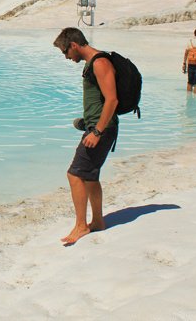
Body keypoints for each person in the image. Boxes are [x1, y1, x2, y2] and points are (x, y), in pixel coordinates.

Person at [53, 28, 119, 246]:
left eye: (65, 52)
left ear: (73, 44)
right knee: (90, 176)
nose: (66, 57)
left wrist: (97, 131)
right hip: (96, 127)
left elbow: (112, 101)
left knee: (75, 175)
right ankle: (98, 221)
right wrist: (87, 122)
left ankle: (81, 225)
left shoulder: (100, 63)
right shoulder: (92, 64)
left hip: (102, 129)